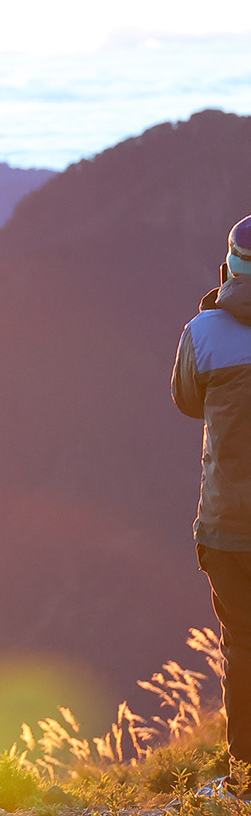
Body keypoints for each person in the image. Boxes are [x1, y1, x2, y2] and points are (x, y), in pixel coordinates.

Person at [171, 214, 251, 777]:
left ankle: (245, 773)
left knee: (243, 644)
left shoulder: (202, 333)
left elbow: (186, 401)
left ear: (230, 265)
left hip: (228, 524)